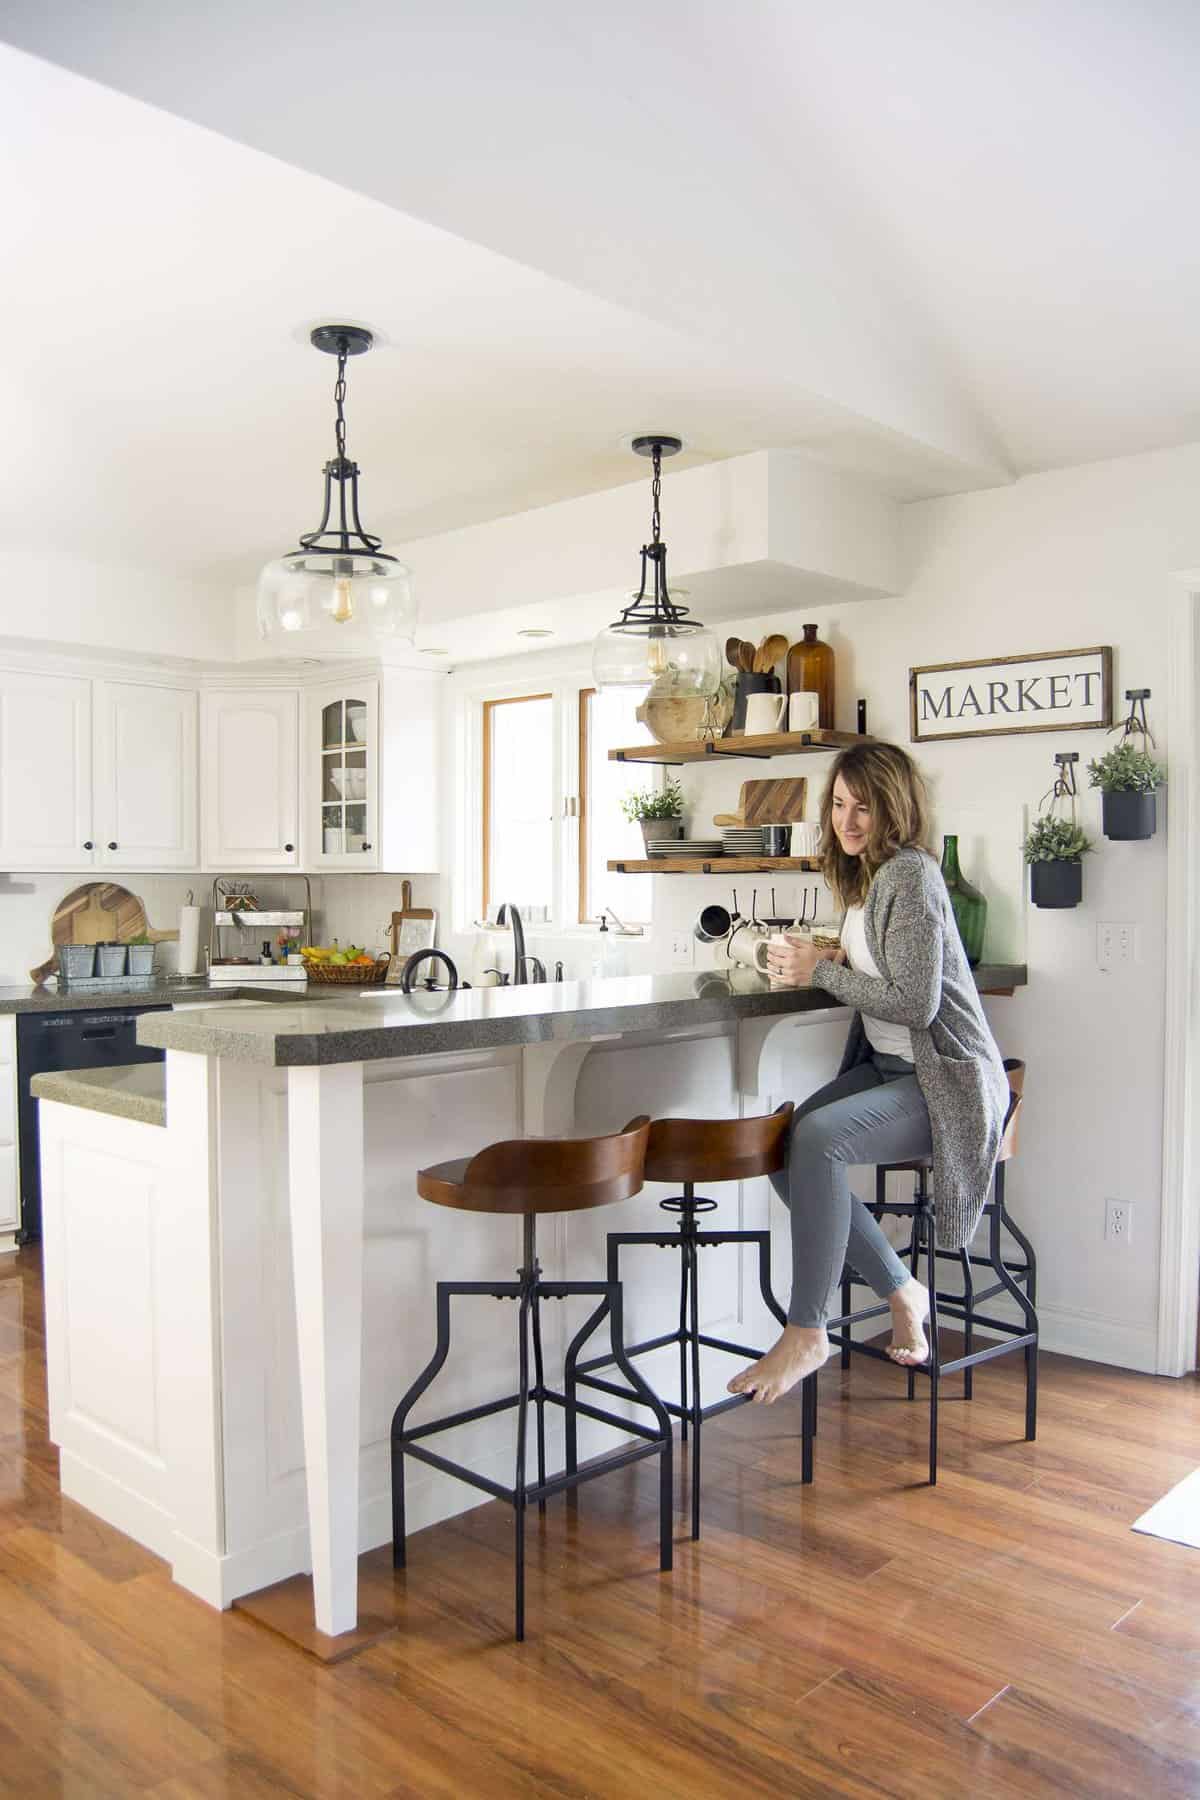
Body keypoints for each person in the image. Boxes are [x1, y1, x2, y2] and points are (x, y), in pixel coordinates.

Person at [728, 741, 1010, 1404]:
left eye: (864, 807)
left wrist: (820, 973)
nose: (847, 820)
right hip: (891, 1068)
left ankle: (807, 1331)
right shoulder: (866, 879)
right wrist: (831, 956)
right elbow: (888, 972)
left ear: (896, 810)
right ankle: (902, 1286)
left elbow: (918, 1001)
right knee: (781, 1142)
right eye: (838, 804)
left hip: (944, 1081)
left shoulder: (909, 874)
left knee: (820, 1140)